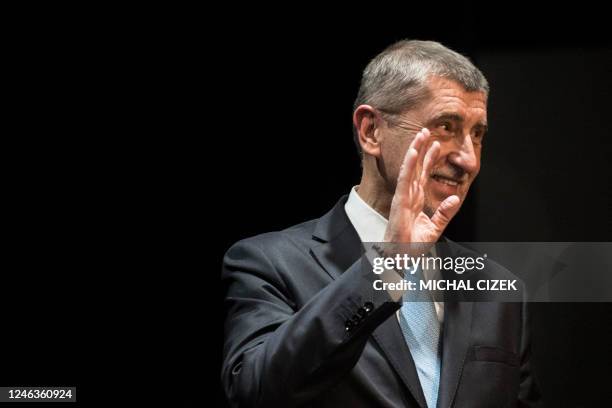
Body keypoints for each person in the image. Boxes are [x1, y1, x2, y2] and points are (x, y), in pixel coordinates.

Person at [221, 40, 541, 407]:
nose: (468, 159)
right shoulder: (269, 264)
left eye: (477, 134)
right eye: (446, 126)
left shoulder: (499, 292)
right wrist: (387, 264)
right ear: (371, 130)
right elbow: (254, 391)